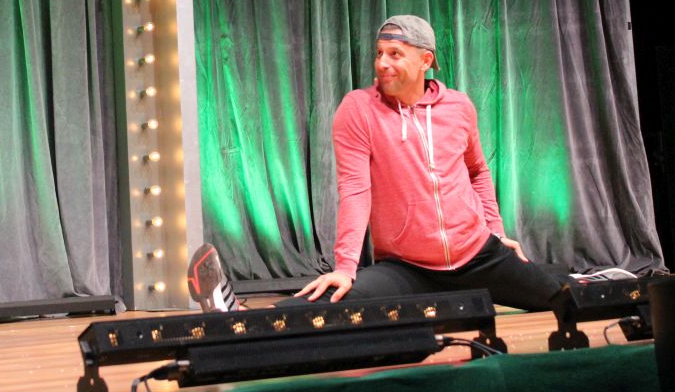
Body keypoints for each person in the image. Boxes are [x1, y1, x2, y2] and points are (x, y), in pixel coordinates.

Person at [192, 15, 591, 313]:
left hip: (477, 255)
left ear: (425, 60)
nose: (382, 63)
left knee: (566, 298)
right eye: (379, 53)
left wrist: (497, 232)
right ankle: (237, 316)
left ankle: (597, 278)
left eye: (395, 54)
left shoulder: (459, 107)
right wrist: (345, 266)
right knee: (338, 300)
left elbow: (477, 172)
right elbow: (354, 190)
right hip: (408, 267)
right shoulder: (358, 109)